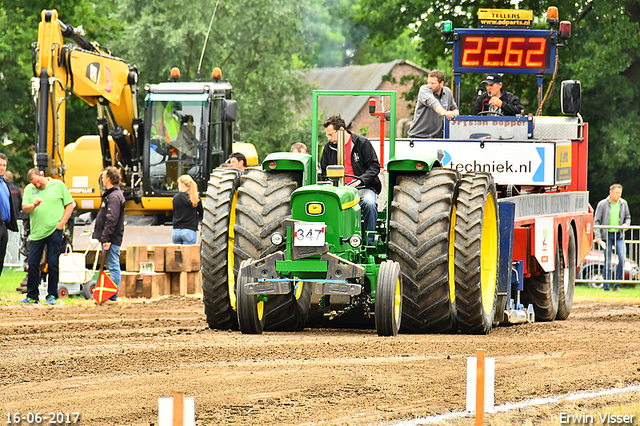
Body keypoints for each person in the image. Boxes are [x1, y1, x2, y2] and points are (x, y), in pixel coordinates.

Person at [320, 115, 381, 242]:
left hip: (362, 187)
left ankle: (368, 242)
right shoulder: (328, 147)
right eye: (328, 136)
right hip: (337, 189)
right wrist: (330, 181)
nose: (329, 139)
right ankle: (328, 240)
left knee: (369, 203)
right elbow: (324, 169)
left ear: (341, 130)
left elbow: (374, 167)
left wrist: (360, 180)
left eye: (331, 135)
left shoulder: (362, 143)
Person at [21, 169, 75, 305]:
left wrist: (62, 223)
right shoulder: (29, 189)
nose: (37, 185)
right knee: (33, 263)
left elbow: (70, 204)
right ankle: (32, 295)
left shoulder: (58, 185)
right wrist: (33, 205)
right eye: (34, 184)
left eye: (38, 181)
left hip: (54, 230)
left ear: (43, 175)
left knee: (53, 263)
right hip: (36, 232)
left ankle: (52, 295)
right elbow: (24, 208)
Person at [92, 167, 126, 301]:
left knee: (113, 266)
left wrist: (106, 238)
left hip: (111, 239)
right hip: (110, 238)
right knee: (112, 265)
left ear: (109, 179)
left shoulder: (114, 196)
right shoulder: (112, 195)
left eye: (104, 176)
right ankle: (112, 294)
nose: (102, 179)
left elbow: (111, 219)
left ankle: (113, 296)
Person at [593, 183, 631, 291]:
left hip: (619, 235)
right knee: (608, 261)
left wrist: (626, 224)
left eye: (620, 193)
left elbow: (627, 217)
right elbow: (596, 221)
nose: (618, 195)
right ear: (610, 193)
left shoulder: (623, 203)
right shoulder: (602, 204)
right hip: (607, 235)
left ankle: (617, 284)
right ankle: (606, 286)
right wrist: (598, 237)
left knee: (622, 258)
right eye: (616, 193)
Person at [408, 70, 459, 138]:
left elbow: (455, 110)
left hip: (436, 138)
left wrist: (452, 114)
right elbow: (433, 103)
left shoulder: (447, 92)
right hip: (418, 137)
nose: (430, 86)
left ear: (441, 83)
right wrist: (444, 112)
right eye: (428, 82)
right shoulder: (424, 90)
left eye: (433, 83)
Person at [0, 155, 20, 286]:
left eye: (4, 166)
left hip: (3, 226)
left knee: (0, 260)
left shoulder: (5, 183)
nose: (2, 168)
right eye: (0, 165)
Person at [172, 174, 203, 245]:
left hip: (176, 231)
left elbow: (175, 212)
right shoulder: (196, 198)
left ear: (182, 185)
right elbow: (201, 213)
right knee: (188, 255)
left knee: (177, 255)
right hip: (189, 231)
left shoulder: (176, 197)